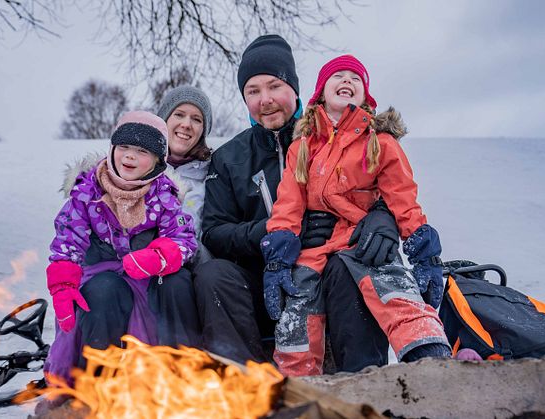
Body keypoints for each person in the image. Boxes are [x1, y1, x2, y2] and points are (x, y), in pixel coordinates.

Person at [195, 35, 397, 372]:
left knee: (348, 267)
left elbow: (384, 187)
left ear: (295, 88)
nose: (265, 100)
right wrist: (273, 232)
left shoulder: (334, 137)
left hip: (326, 273)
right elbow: (214, 232)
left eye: (274, 86)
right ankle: (250, 385)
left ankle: (362, 381)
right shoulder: (229, 157)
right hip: (262, 281)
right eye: (253, 91)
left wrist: (383, 218)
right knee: (213, 274)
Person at [260, 54, 451, 376]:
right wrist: (278, 256)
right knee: (297, 314)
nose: (347, 81)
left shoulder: (380, 142)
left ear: (365, 96)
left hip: (364, 239)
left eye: (355, 78)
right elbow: (289, 203)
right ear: (320, 92)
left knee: (394, 290)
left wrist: (424, 252)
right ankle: (298, 388)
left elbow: (402, 197)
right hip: (316, 248)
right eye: (338, 76)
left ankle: (433, 364)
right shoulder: (303, 147)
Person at [43, 111, 200, 383]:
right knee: (103, 291)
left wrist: (160, 256)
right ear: (113, 148)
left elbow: (183, 239)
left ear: (157, 161)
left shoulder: (163, 194)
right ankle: (95, 382)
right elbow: (68, 239)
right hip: (101, 277)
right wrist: (63, 286)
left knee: (179, 283)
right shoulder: (87, 191)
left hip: (144, 278)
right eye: (124, 147)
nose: (129, 156)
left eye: (141, 151)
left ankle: (173, 374)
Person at [157, 85, 213, 235]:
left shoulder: (213, 176)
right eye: (179, 114)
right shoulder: (138, 169)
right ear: (164, 121)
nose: (186, 124)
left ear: (203, 131)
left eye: (196, 119)